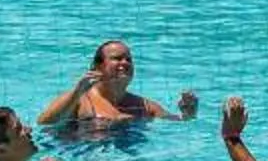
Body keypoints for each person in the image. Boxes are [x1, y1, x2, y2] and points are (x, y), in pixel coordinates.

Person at [36, 39, 198, 128]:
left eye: (129, 59)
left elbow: (178, 124)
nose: (125, 63)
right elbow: (44, 123)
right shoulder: (79, 100)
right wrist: (76, 92)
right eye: (117, 58)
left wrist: (188, 114)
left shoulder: (144, 106)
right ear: (97, 66)